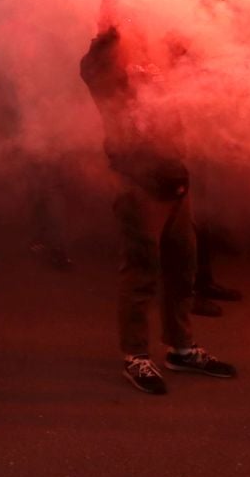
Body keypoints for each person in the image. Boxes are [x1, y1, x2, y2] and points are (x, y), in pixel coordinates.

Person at [80, 25, 238, 398]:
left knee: (183, 266)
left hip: (174, 179)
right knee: (141, 271)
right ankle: (135, 354)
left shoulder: (158, 61)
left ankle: (181, 348)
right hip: (138, 184)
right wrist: (107, 25)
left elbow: (193, 73)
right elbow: (92, 66)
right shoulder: (107, 71)